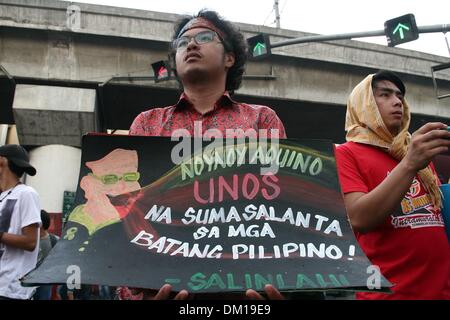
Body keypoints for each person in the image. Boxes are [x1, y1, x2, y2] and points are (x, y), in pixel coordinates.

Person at [125, 9, 290, 300]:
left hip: (244, 288)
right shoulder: (146, 124)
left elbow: (281, 206)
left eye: (204, 37)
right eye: (182, 41)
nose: (190, 45)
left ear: (230, 57)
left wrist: (279, 285)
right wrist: (137, 294)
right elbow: (131, 214)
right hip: (164, 284)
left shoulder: (263, 120)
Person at [335, 70, 450, 299]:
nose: (397, 101)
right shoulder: (345, 153)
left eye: (399, 96)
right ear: (364, 104)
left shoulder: (416, 155)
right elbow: (359, 219)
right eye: (385, 95)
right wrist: (410, 164)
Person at [0, 144, 41, 300]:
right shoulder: (3, 196)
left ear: (2, 161)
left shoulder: (26, 193)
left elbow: (31, 242)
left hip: (12, 290)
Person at [33, 209, 59, 300]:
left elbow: (58, 265)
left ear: (40, 224)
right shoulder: (28, 240)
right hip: (27, 281)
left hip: (45, 283)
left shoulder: (55, 240)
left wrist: (55, 291)